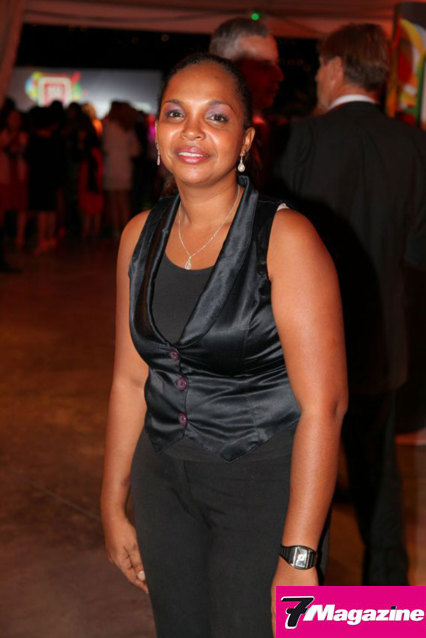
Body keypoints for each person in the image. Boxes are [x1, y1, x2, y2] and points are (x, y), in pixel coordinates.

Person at [101, 53, 347, 638]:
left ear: (245, 140)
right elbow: (130, 381)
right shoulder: (138, 235)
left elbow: (325, 407)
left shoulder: (286, 237)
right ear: (156, 132)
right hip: (164, 483)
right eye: (175, 114)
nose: (191, 131)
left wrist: (301, 554)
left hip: (263, 488)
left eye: (215, 117)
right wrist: (112, 502)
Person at [278, 23, 426, 585]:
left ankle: (310, 607)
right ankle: (386, 608)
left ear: (337, 67)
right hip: (382, 343)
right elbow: (418, 251)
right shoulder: (415, 145)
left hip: (307, 345)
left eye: (320, 65)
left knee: (307, 482)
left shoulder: (301, 139)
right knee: (380, 478)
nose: (317, 76)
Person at [210, 18, 285, 191]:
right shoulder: (209, 135)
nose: (279, 76)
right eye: (264, 66)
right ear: (229, 68)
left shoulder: (265, 133)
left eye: (276, 64)